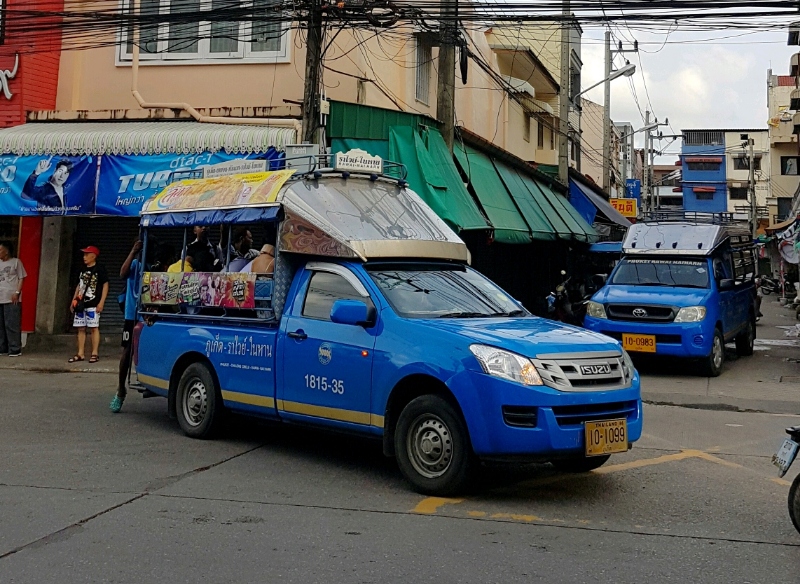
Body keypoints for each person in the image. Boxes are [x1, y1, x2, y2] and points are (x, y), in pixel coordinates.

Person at [110, 239, 149, 413]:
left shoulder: (153, 265)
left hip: (148, 314)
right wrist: (133, 251)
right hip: (132, 314)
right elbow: (122, 273)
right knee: (127, 351)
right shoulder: (135, 264)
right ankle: (120, 390)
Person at [69, 246, 109, 364]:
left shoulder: (100, 269)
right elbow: (79, 285)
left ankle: (94, 353)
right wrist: (74, 300)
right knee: (80, 328)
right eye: (84, 254)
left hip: (93, 303)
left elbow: (105, 285)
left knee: (94, 328)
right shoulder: (81, 269)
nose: (84, 257)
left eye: (87, 254)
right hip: (81, 304)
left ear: (94, 256)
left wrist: (101, 302)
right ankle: (80, 353)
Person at [0, 241, 26, 357]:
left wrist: (17, 292)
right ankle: (2, 347)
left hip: (11, 298)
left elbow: (21, 278)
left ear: (6, 251)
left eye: (0, 250)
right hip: (0, 296)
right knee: (1, 325)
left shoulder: (16, 262)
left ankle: (15, 348)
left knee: (12, 324)